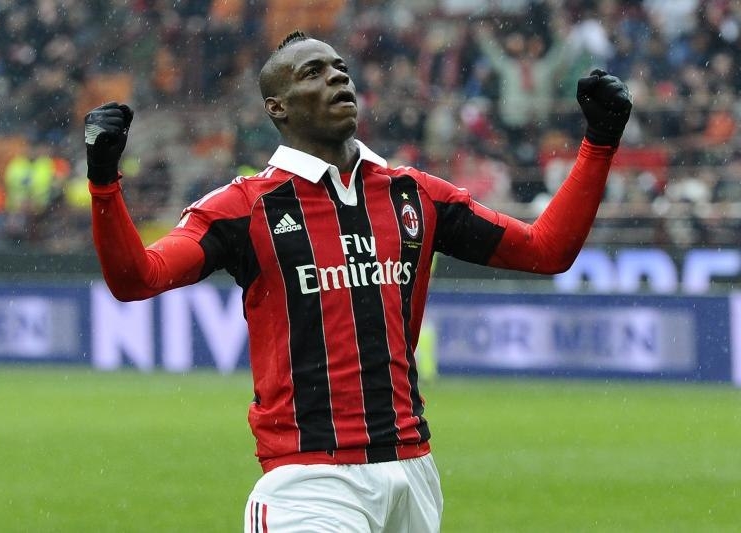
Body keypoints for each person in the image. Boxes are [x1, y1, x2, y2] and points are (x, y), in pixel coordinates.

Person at [84, 30, 631, 533]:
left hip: (413, 474)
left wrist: (599, 143)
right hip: (309, 481)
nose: (337, 77)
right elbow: (138, 279)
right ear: (277, 107)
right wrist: (105, 183)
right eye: (313, 72)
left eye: (340, 68)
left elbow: (546, 250)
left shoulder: (415, 194)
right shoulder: (243, 208)